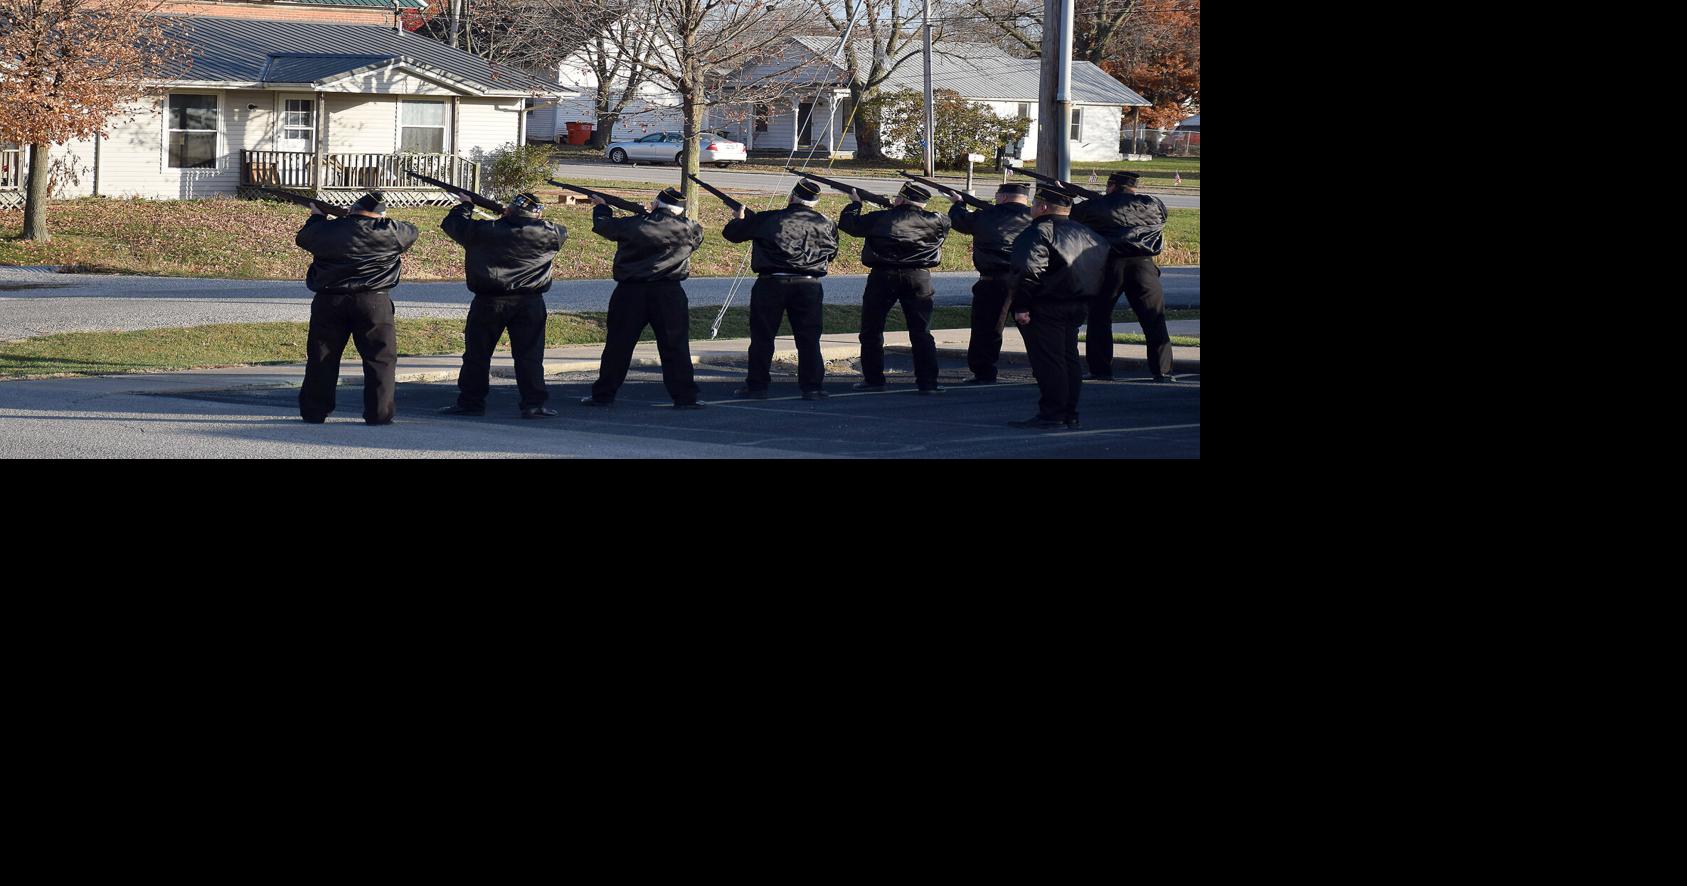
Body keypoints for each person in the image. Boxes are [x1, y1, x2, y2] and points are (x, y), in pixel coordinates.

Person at [436, 191, 567, 419]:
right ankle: (533, 403)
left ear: (510, 210)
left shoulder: (485, 231)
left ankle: (471, 402)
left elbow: (453, 224)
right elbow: (554, 227)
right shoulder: (552, 234)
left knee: (477, 355)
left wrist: (466, 205)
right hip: (530, 302)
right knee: (530, 356)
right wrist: (511, 216)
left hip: (489, 301)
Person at [293, 190, 419, 425]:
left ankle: (314, 411)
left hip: (329, 300)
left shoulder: (328, 230)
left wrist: (317, 217)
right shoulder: (391, 232)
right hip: (374, 300)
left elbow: (305, 237)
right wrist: (380, 219)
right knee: (380, 359)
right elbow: (411, 231)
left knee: (322, 357)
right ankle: (379, 413)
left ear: (351, 209)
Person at [582, 187, 706, 409]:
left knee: (618, 345)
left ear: (656, 204)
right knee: (675, 346)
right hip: (670, 292)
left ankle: (604, 394)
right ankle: (685, 396)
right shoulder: (691, 229)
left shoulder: (635, 224)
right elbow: (696, 238)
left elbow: (604, 226)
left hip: (631, 291)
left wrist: (602, 207)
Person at [721, 179, 839, 401]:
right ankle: (812, 387)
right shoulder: (827, 223)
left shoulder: (769, 218)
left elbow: (732, 235)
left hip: (771, 283)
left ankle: (757, 386)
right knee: (809, 338)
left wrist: (739, 220)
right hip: (809, 284)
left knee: (763, 337)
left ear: (792, 197)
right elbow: (831, 253)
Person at [1006, 188, 1111, 430]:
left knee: (1049, 361)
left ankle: (1052, 413)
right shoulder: (1087, 233)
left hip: (1046, 304)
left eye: (1034, 203)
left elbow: (1027, 270)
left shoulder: (1038, 232)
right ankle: (1069, 411)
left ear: (1042, 207)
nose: (1031, 207)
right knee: (1068, 358)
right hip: (1077, 303)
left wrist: (1021, 305)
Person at [836, 180, 951, 394]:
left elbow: (849, 225)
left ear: (900, 199)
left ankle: (874, 380)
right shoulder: (938, 220)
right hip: (919, 277)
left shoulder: (881, 218)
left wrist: (855, 203)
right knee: (921, 332)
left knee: (872, 330)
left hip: (883, 276)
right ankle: (928, 383)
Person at [1069, 169, 1175, 382]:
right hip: (1144, 265)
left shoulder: (1095, 207)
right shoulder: (1153, 204)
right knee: (1153, 319)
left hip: (1109, 265)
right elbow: (1160, 213)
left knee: (1100, 318)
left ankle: (1101, 370)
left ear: (1111, 185)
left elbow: (1075, 216)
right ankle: (1162, 371)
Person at [947, 181, 1033, 385]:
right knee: (1035, 330)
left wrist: (958, 204)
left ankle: (984, 372)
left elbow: (959, 221)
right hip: (1030, 280)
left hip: (994, 280)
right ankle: (1044, 370)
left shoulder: (985, 216)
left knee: (986, 330)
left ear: (1002, 197)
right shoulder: (1035, 217)